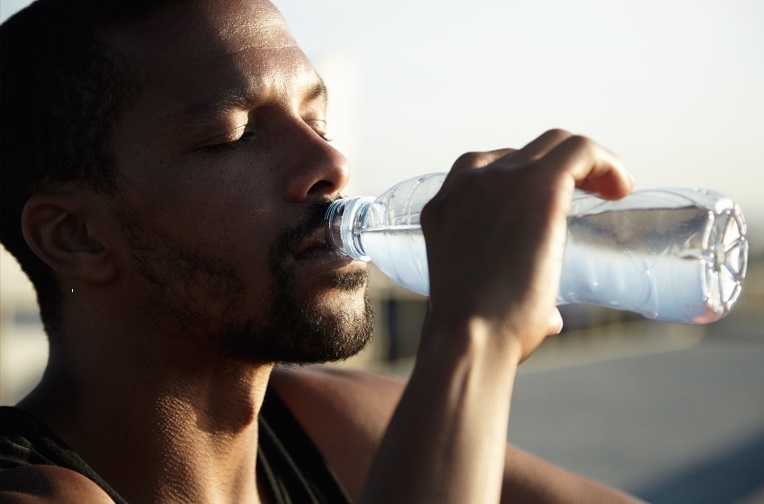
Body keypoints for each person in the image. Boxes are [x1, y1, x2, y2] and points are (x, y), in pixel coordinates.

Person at [0, 0, 643, 502]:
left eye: (318, 121)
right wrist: (474, 333)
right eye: (237, 135)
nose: (330, 162)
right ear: (75, 235)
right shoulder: (32, 493)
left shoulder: (335, 422)